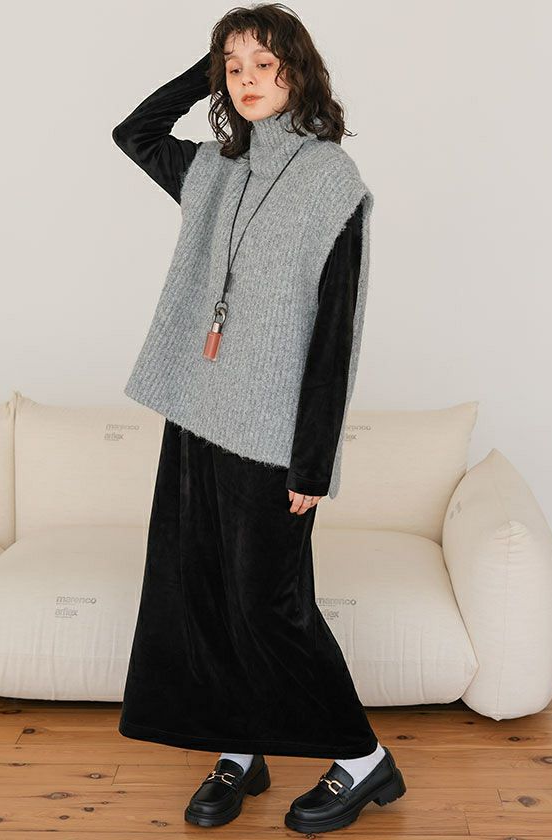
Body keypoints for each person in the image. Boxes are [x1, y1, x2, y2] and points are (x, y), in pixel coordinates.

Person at [111, 4, 406, 834]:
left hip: (273, 438)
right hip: (196, 415)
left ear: (298, 73)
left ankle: (364, 761)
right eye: (233, 68)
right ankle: (238, 749)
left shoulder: (331, 183)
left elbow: (336, 333)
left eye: (263, 65)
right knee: (203, 592)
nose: (246, 80)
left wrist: (313, 463)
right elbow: (134, 132)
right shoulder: (214, 168)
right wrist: (209, 66)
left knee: (270, 605)